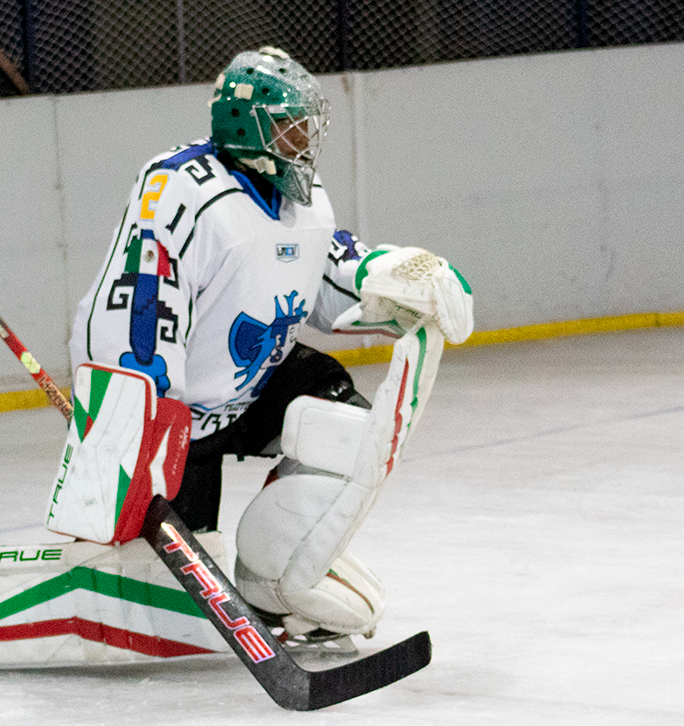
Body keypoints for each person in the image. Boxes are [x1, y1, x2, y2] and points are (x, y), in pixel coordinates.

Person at [68, 47, 473, 643]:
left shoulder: (303, 196)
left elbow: (331, 276)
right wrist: (137, 424)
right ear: (251, 126)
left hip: (253, 389)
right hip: (177, 424)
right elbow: (137, 307)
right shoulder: (180, 188)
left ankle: (272, 584)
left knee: (340, 416)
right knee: (166, 612)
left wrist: (398, 275)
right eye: (291, 124)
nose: (305, 138)